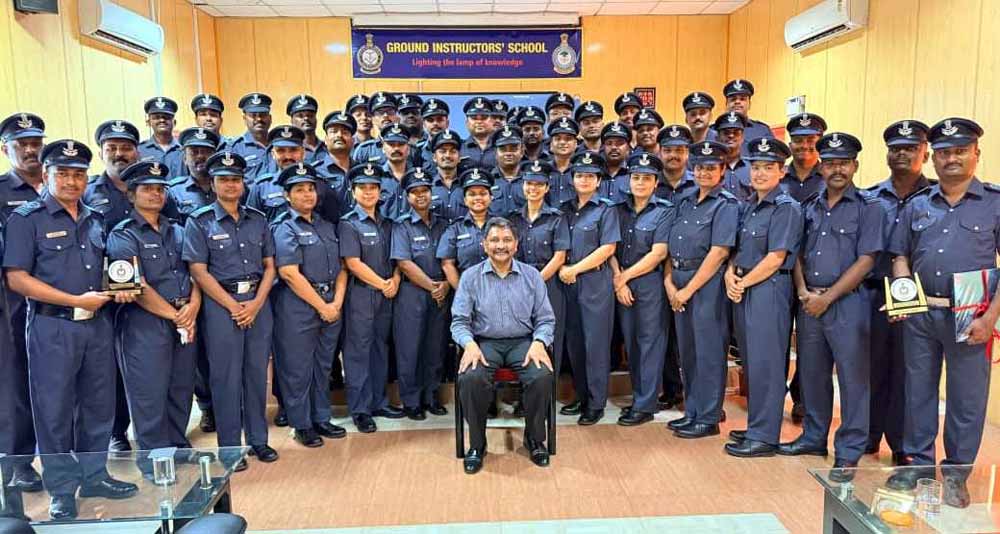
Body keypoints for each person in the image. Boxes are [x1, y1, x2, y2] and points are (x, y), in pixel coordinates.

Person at [4, 139, 139, 520]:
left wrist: (123, 289)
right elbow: (17, 279)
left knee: (98, 405)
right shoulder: (27, 219)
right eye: (62, 173)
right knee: (54, 411)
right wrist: (74, 300)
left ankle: (95, 475)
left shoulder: (94, 218)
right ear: (46, 175)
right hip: (52, 327)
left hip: (96, 327)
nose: (71, 181)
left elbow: (111, 270)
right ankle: (62, 489)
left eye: (78, 174)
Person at [886, 118, 999, 508]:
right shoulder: (919, 204)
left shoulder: (994, 203)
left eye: (960, 151)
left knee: (966, 399)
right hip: (921, 312)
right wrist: (903, 290)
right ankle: (918, 466)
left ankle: (955, 475)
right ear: (933, 158)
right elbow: (900, 254)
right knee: (917, 392)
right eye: (945, 152)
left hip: (972, 314)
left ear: (976, 154)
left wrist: (990, 318)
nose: (952, 159)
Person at [786, 133, 882, 482]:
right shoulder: (809, 207)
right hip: (810, 303)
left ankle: (849, 451)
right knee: (812, 375)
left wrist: (827, 298)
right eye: (830, 163)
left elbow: (867, 259)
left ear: (855, 165)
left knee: (853, 380)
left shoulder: (870, 207)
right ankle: (813, 437)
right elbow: (796, 253)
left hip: (849, 303)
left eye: (843, 163)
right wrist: (803, 292)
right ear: (821, 167)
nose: (836, 169)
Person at [183, 150, 278, 471]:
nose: (231, 185)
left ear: (243, 183)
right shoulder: (200, 222)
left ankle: (258, 440)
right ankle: (229, 448)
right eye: (224, 180)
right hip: (221, 308)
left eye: (236, 179)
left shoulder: (258, 220)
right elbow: (198, 271)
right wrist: (233, 306)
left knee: (256, 375)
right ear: (212, 184)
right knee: (226, 379)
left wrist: (257, 303)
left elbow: (270, 266)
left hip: (257, 304)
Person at [107, 161, 201, 460]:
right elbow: (137, 286)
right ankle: (155, 459)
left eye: (160, 189)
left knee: (180, 387)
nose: (155, 194)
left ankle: (178, 445)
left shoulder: (179, 230)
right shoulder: (123, 235)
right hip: (145, 323)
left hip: (185, 318)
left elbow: (197, 272)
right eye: (147, 189)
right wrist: (176, 316)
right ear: (131, 195)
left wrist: (193, 307)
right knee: (148, 392)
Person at [452, 217, 556, 474]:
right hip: (485, 344)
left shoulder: (531, 276)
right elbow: (459, 321)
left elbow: (546, 319)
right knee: (470, 378)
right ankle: (477, 444)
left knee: (541, 376)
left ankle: (534, 439)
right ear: (484, 244)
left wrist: (539, 342)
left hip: (524, 343)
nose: (501, 245)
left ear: (516, 245)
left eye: (507, 240)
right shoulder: (470, 277)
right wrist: (469, 344)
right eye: (495, 240)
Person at [724, 137, 802, 458]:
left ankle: (766, 436)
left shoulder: (786, 208)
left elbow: (776, 257)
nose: (759, 173)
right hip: (744, 286)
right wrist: (730, 273)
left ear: (781, 172)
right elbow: (739, 248)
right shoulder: (749, 205)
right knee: (752, 362)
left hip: (768, 289)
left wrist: (742, 283)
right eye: (755, 167)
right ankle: (757, 425)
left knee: (767, 364)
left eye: (768, 168)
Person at [865, 119, 934, 466]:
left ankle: (903, 444)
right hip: (874, 293)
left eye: (910, 148)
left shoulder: (935, 197)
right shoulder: (870, 197)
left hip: (918, 297)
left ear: (925, 153)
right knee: (871, 367)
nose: (902, 154)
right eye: (895, 149)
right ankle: (868, 435)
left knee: (909, 373)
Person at [270, 163, 348, 447]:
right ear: (287, 195)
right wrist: (322, 306)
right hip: (298, 307)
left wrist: (336, 302)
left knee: (323, 365)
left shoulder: (326, 225)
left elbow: (343, 267)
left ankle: (321, 417)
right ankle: (301, 424)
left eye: (311, 189)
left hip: (331, 302)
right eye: (299, 190)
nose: (307, 194)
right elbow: (289, 273)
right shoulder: (284, 228)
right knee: (298, 369)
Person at [666, 140, 739, 438]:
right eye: (699, 167)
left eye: (711, 168)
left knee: (709, 351)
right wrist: (671, 283)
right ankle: (693, 410)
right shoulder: (685, 201)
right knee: (688, 352)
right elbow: (671, 242)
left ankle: (708, 417)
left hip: (706, 284)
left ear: (722, 170)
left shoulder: (726, 205)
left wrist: (687, 290)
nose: (704, 173)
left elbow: (719, 252)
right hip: (679, 278)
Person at [85, 119, 141, 453]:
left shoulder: (149, 187)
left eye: (126, 148)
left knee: (148, 363)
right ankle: (117, 430)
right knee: (109, 369)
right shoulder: (89, 192)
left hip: (149, 291)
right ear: (102, 152)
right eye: (112, 148)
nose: (120, 153)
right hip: (104, 295)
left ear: (137, 151)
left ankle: (156, 430)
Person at [340, 163, 405, 433]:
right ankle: (360, 409)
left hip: (387, 294)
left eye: (373, 188)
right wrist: (383, 284)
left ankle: (379, 401)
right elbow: (352, 263)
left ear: (380, 192)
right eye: (362, 188)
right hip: (361, 294)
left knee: (380, 348)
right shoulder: (348, 223)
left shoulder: (388, 224)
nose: (368, 192)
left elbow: (399, 257)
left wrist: (395, 280)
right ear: (353, 191)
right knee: (358, 352)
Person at [0, 112, 46, 492]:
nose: (30, 150)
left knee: (61, 382)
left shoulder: (60, 184)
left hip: (63, 300)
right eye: (22, 144)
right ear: (6, 149)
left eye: (35, 143)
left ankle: (66, 457)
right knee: (16, 383)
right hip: (12, 304)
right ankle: (18, 461)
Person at [611, 153, 674, 426]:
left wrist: (623, 278)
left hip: (649, 282)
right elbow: (610, 248)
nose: (640, 182)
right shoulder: (618, 209)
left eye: (646, 178)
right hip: (622, 281)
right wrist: (619, 279)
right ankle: (639, 397)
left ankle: (646, 404)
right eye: (635, 177)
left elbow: (658, 253)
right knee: (632, 343)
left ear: (656, 182)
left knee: (650, 343)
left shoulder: (664, 211)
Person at [558, 150, 620, 425]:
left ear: (598, 181)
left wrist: (574, 269)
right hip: (567, 284)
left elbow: (608, 248)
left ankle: (596, 402)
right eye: (579, 175)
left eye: (590, 176)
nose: (584, 180)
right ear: (572, 179)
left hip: (594, 282)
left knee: (595, 344)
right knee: (575, 344)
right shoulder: (564, 209)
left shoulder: (606, 209)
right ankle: (581, 395)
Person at [779, 112, 828, 425]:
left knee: (811, 345)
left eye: (811, 139)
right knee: (777, 341)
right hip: (778, 273)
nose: (804, 145)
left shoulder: (831, 177)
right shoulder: (778, 177)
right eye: (798, 140)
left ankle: (803, 399)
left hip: (816, 272)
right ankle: (773, 397)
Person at [391, 168, 450, 419]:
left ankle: (431, 396)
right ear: (407, 196)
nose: (420, 195)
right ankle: (412, 401)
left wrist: (445, 284)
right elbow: (404, 263)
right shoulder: (401, 225)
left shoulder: (443, 224)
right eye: (414, 192)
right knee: (410, 349)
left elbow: (451, 259)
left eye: (424, 190)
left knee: (435, 347)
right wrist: (433, 287)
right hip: (412, 292)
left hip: (441, 292)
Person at [508, 159, 570, 378]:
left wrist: (535, 281)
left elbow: (560, 256)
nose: (533, 188)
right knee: (522, 335)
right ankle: (528, 388)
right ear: (522, 186)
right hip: (517, 282)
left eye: (538, 184)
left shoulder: (556, 218)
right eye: (529, 183)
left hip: (549, 282)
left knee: (550, 335)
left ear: (547, 187)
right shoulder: (513, 218)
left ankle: (549, 388)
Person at [438, 167, 494, 286]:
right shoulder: (455, 229)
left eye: (483, 193)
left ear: (491, 197)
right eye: (472, 194)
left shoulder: (502, 225)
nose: (478, 198)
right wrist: (462, 292)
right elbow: (447, 264)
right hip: (467, 287)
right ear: (465, 200)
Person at [229, 93, 273, 179]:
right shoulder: (235, 148)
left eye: (263, 115)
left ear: (270, 118)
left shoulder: (279, 144)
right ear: (244, 119)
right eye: (253, 115)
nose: (259, 119)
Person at [138, 97, 184, 177]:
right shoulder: (139, 150)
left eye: (167, 117)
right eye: (156, 117)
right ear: (148, 122)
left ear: (174, 122)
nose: (162, 120)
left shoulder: (185, 150)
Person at [428, 130, 467, 223]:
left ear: (459, 157)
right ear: (434, 157)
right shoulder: (427, 187)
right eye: (442, 151)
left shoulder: (468, 186)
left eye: (453, 151)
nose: (448, 155)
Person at [713, 112, 751, 201]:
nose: (731, 135)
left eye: (736, 132)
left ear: (742, 137)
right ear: (717, 138)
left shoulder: (752, 167)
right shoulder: (710, 169)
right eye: (726, 133)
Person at [490, 124, 526, 217]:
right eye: (503, 149)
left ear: (522, 151)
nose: (508, 153)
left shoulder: (531, 180)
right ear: (495, 153)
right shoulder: (488, 181)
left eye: (513, 149)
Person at [546, 117, 580, 206]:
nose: (562, 142)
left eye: (568, 139)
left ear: (576, 144)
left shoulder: (582, 171)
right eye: (557, 139)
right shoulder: (543, 170)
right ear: (551, 145)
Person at [461, 97, 497, 170]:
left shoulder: (501, 147)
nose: (479, 122)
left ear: (492, 121)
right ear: (467, 123)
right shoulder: (458, 148)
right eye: (474, 118)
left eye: (484, 117)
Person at [600, 122, 631, 203]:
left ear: (628, 147)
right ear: (603, 147)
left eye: (619, 143)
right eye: (609, 143)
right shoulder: (594, 173)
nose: (614, 147)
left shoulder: (634, 174)